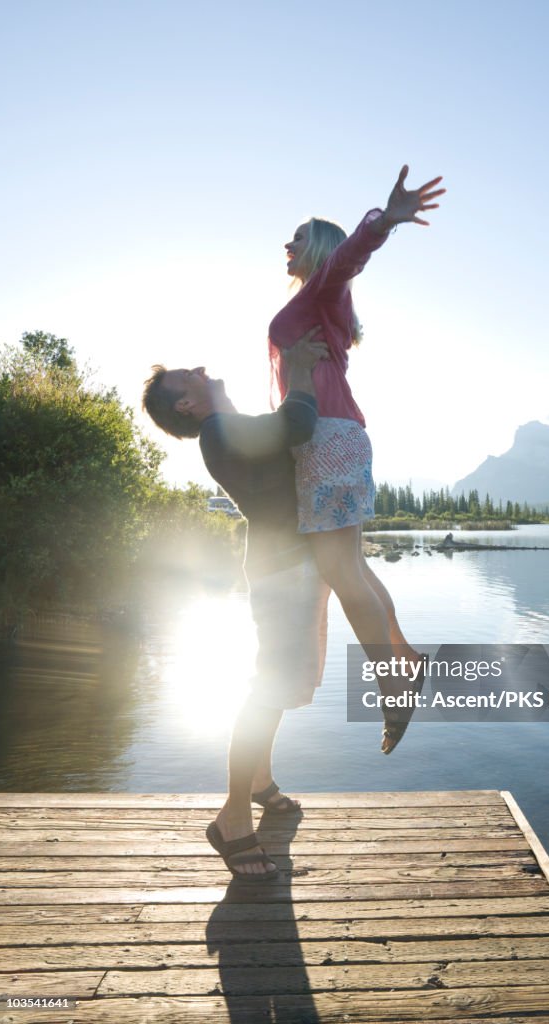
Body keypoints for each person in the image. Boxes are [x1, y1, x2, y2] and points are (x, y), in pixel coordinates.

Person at [142, 329, 330, 880]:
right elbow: (297, 424)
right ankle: (231, 820)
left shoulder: (227, 426)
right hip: (282, 570)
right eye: (188, 375)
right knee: (268, 687)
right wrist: (298, 368)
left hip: (287, 564)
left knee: (282, 685)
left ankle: (259, 781)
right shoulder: (220, 430)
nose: (200, 368)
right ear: (187, 403)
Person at [268, 165, 444, 753]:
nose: (285, 244)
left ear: (317, 249)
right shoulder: (315, 308)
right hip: (338, 436)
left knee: (342, 573)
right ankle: (408, 662)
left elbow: (346, 261)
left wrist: (382, 222)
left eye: (297, 236)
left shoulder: (323, 287)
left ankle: (395, 688)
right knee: (354, 568)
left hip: (327, 438)